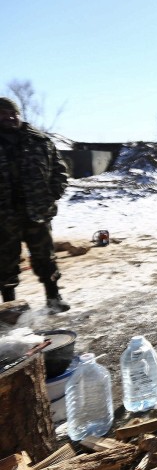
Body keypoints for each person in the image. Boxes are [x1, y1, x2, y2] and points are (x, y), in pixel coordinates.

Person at [0, 97, 70, 312]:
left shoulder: (40, 141)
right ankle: (10, 306)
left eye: (13, 114)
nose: (10, 118)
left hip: (37, 213)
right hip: (4, 217)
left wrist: (51, 195)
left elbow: (59, 171)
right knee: (4, 263)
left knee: (45, 258)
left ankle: (53, 298)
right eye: (3, 115)